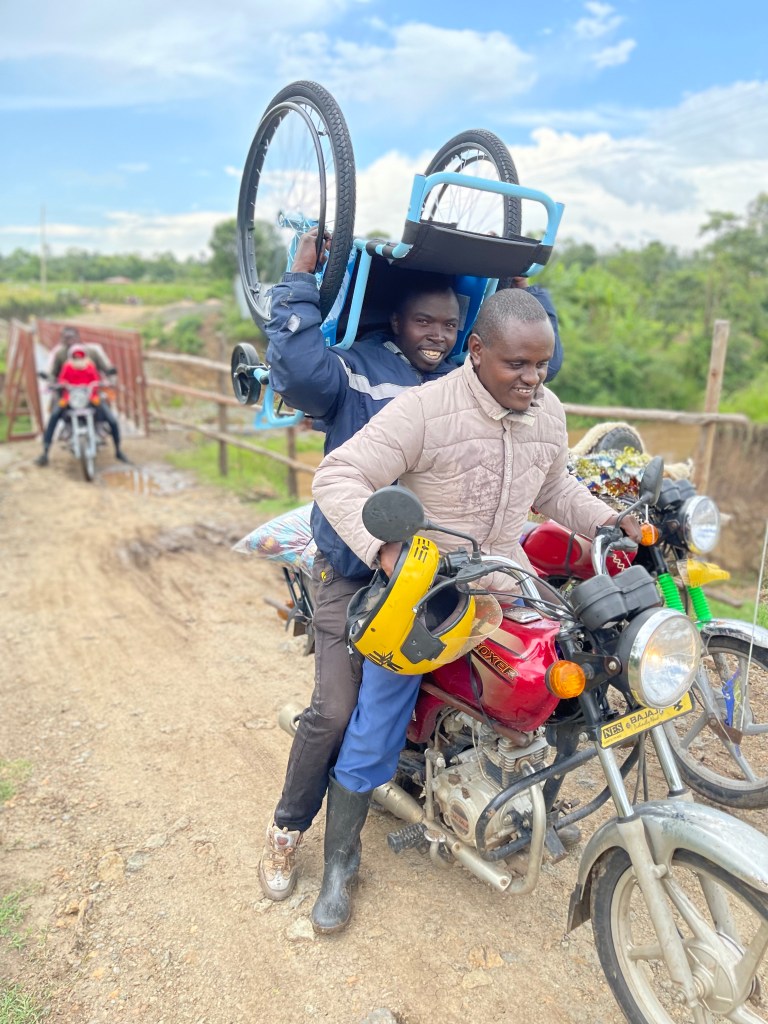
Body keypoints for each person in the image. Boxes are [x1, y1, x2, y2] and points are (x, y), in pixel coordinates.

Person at [308, 286, 642, 933]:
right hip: (431, 591)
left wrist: (611, 521)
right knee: (378, 721)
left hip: (509, 579)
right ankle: (340, 861)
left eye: (541, 365)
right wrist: (388, 550)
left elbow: (555, 486)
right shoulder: (423, 411)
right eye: (517, 364)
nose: (532, 379)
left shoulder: (547, 412)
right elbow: (337, 475)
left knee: (572, 673)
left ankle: (536, 806)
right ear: (478, 351)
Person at [258, 231, 565, 903]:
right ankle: (295, 833)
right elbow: (302, 376)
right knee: (340, 713)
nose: (436, 335)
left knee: (556, 658)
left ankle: (515, 791)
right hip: (361, 567)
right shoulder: (360, 372)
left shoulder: (486, 387)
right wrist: (299, 278)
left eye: (448, 325)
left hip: (458, 576)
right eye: (423, 321)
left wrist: (521, 289)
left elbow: (537, 375)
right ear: (395, 320)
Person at [35, 342, 129, 466]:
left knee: (111, 419)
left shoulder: (90, 367)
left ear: (85, 356)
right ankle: (45, 452)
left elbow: (96, 380)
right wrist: (56, 385)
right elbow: (61, 380)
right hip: (70, 399)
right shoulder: (67, 367)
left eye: (81, 357)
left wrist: (102, 385)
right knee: (54, 416)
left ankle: (118, 450)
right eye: (75, 357)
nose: (78, 360)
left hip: (90, 398)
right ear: (71, 357)